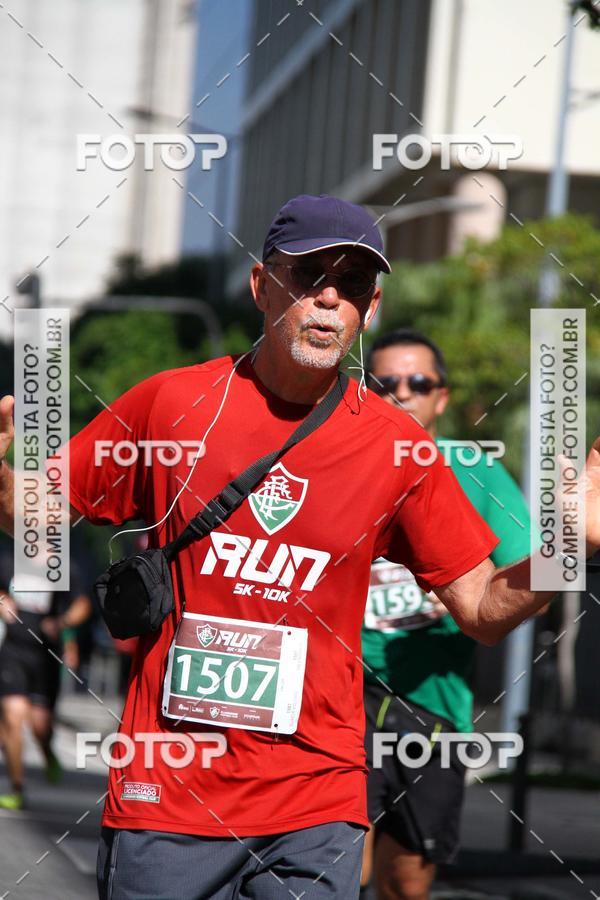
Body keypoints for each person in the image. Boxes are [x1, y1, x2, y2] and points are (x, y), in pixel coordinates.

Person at [0, 194, 598, 899]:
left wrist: (571, 542)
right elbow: (39, 517)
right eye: (308, 275)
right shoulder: (172, 404)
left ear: (370, 310)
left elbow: (481, 605)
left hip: (316, 805)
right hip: (170, 796)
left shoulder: (398, 448)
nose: (328, 300)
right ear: (261, 285)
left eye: (352, 287)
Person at [360, 329, 534, 900]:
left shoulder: (477, 471)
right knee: (331, 868)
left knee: (404, 882)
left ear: (442, 397)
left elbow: (525, 577)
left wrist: (569, 544)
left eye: (419, 383)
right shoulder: (334, 466)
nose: (402, 393)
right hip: (335, 695)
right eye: (385, 383)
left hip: (432, 707)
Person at [0, 556, 91, 808]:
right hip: (13, 651)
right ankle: (17, 789)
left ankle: (48, 755)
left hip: (45, 655)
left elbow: (82, 604)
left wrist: (63, 623)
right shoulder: (11, 560)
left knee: (40, 726)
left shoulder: (62, 566)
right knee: (13, 715)